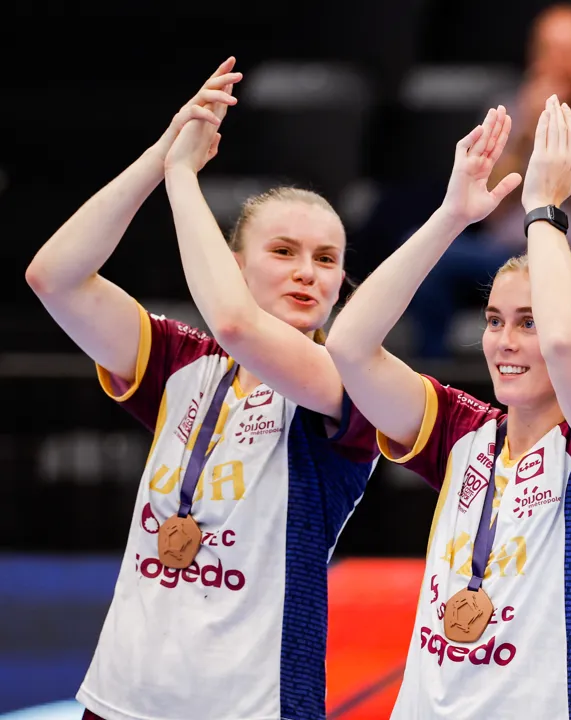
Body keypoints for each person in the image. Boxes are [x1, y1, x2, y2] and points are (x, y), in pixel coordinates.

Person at [25, 59, 379, 720]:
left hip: (251, 706)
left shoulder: (346, 383)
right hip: (122, 699)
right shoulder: (183, 363)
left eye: (327, 259)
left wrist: (185, 176)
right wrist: (162, 156)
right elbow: (55, 277)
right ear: (232, 263)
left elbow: (237, 324)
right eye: (284, 252)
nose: (308, 273)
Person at [327, 100, 571, 718]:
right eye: (495, 321)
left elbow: (565, 343)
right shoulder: (463, 432)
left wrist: (544, 211)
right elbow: (348, 344)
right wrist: (450, 217)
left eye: (528, 322)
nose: (505, 341)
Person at [408, 3, 571, 356]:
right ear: (533, 58)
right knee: (425, 254)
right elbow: (484, 199)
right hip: (502, 253)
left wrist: (555, 136)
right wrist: (527, 130)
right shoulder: (506, 110)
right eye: (550, 52)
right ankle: (436, 379)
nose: (561, 64)